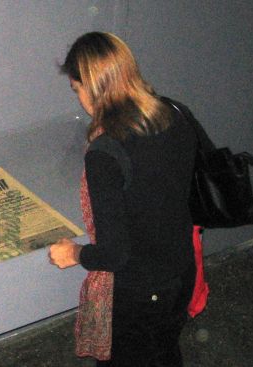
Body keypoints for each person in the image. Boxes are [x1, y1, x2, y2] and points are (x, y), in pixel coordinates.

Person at [48, 32, 199, 366]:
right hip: (181, 270)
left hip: (141, 291)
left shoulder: (106, 153)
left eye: (77, 89)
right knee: (163, 351)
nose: (79, 99)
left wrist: (73, 252)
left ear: (90, 86)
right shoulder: (174, 113)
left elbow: (114, 254)